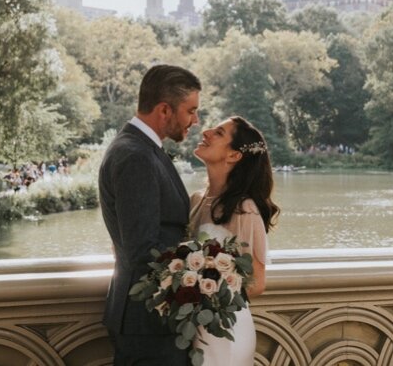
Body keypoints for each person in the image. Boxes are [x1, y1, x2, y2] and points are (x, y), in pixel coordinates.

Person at [100, 64, 203, 366]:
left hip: (150, 320)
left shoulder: (142, 148)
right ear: (164, 110)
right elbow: (143, 248)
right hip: (146, 323)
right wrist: (204, 266)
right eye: (190, 111)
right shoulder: (136, 156)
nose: (195, 120)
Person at [189, 116, 278, 365]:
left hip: (226, 331)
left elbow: (257, 284)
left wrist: (205, 286)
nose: (205, 132)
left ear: (234, 156)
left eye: (218, 133)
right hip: (194, 328)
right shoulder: (196, 201)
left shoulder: (244, 209)